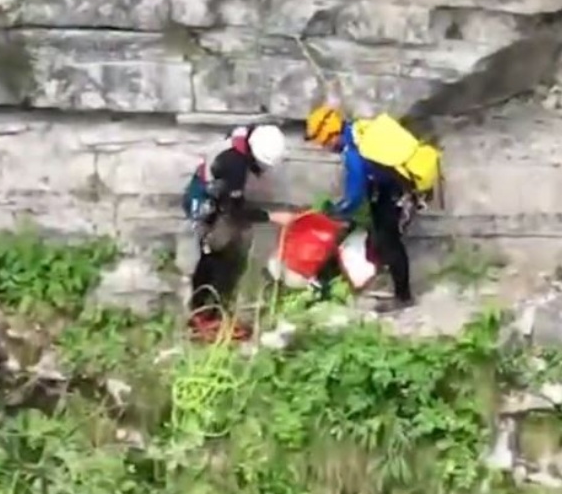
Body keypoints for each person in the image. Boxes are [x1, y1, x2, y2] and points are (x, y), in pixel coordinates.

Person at [303, 106, 442, 313]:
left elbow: (354, 197)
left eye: (324, 142)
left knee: (390, 242)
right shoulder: (360, 130)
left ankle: (403, 297)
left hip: (395, 193)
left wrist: (334, 212)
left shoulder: (353, 154)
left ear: (331, 134)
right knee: (383, 237)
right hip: (393, 188)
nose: (325, 147)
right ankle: (389, 279)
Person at [182, 123, 295, 339]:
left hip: (213, 195)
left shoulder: (244, 138)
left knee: (222, 252)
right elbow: (234, 211)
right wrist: (273, 217)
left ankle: (206, 311)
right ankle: (206, 316)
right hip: (205, 203)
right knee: (219, 256)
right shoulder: (234, 165)